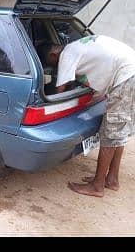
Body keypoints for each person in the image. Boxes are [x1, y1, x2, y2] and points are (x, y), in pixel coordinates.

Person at [41, 35, 135, 197]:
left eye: (51, 65)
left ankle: (97, 186)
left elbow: (60, 89)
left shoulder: (66, 55)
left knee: (109, 134)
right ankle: (111, 179)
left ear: (53, 55)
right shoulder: (77, 46)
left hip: (126, 78)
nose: (54, 68)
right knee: (118, 131)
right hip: (130, 73)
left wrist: (51, 107)